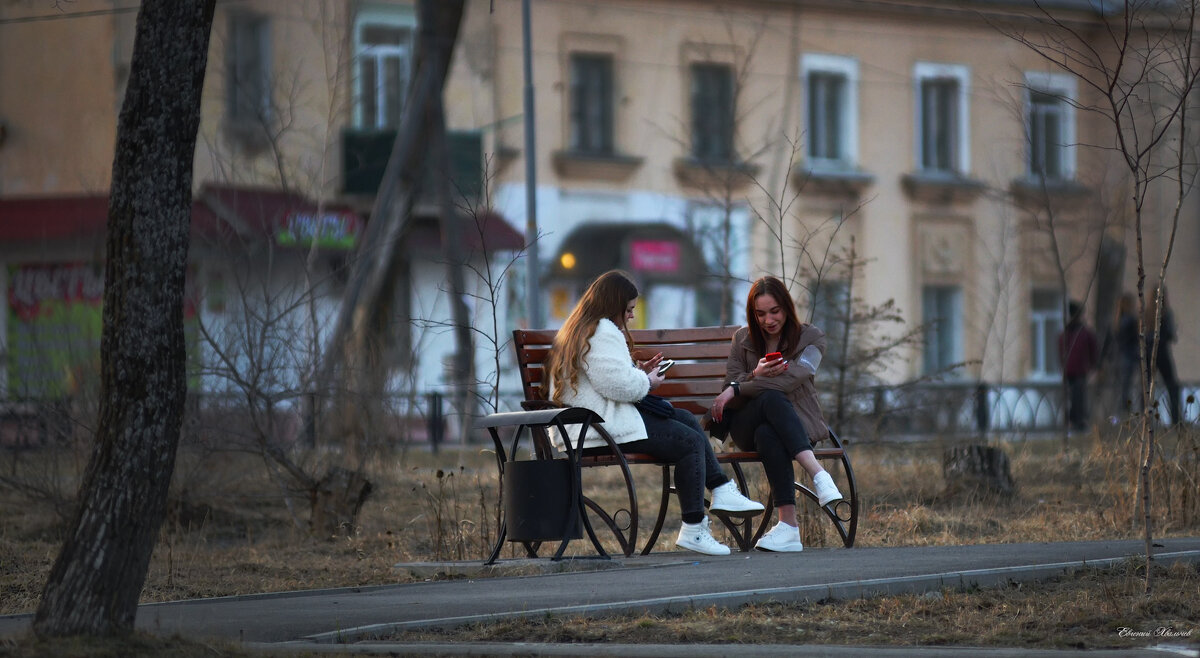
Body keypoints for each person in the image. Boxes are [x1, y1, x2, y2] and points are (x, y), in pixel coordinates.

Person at [543, 270, 763, 556]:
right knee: (689, 442)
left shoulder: (583, 330)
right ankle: (694, 528)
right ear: (614, 305)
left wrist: (639, 374)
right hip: (597, 429)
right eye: (630, 309)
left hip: (590, 425)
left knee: (684, 419)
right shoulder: (602, 332)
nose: (632, 316)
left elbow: (607, 380)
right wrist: (648, 381)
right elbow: (620, 387)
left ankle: (720, 490)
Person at [708, 276, 844, 553]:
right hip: (746, 424)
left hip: (795, 425)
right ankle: (818, 474)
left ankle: (788, 529)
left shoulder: (812, 338)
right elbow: (730, 385)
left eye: (775, 311)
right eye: (760, 313)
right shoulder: (742, 339)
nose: (768, 320)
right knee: (769, 399)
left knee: (769, 433)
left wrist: (737, 388)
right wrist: (752, 376)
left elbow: (791, 379)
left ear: (786, 308)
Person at [1057, 300, 1099, 432]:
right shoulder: (1079, 332)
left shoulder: (1071, 332)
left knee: (1076, 396)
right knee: (1076, 396)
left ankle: (1076, 420)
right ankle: (1076, 420)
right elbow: (1092, 349)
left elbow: (1092, 349)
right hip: (1075, 370)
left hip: (1075, 369)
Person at [1144, 286, 1182, 426]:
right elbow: (1171, 335)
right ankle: (1176, 420)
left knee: (1147, 388)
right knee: (1172, 386)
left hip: (1148, 353)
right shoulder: (1165, 313)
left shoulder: (1147, 313)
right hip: (1161, 354)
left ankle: (1146, 421)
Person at [1112, 292, 1140, 413]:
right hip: (1129, 355)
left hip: (1122, 356)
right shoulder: (1131, 320)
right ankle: (1126, 410)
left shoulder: (1118, 321)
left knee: (1125, 385)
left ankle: (1124, 409)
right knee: (1128, 385)